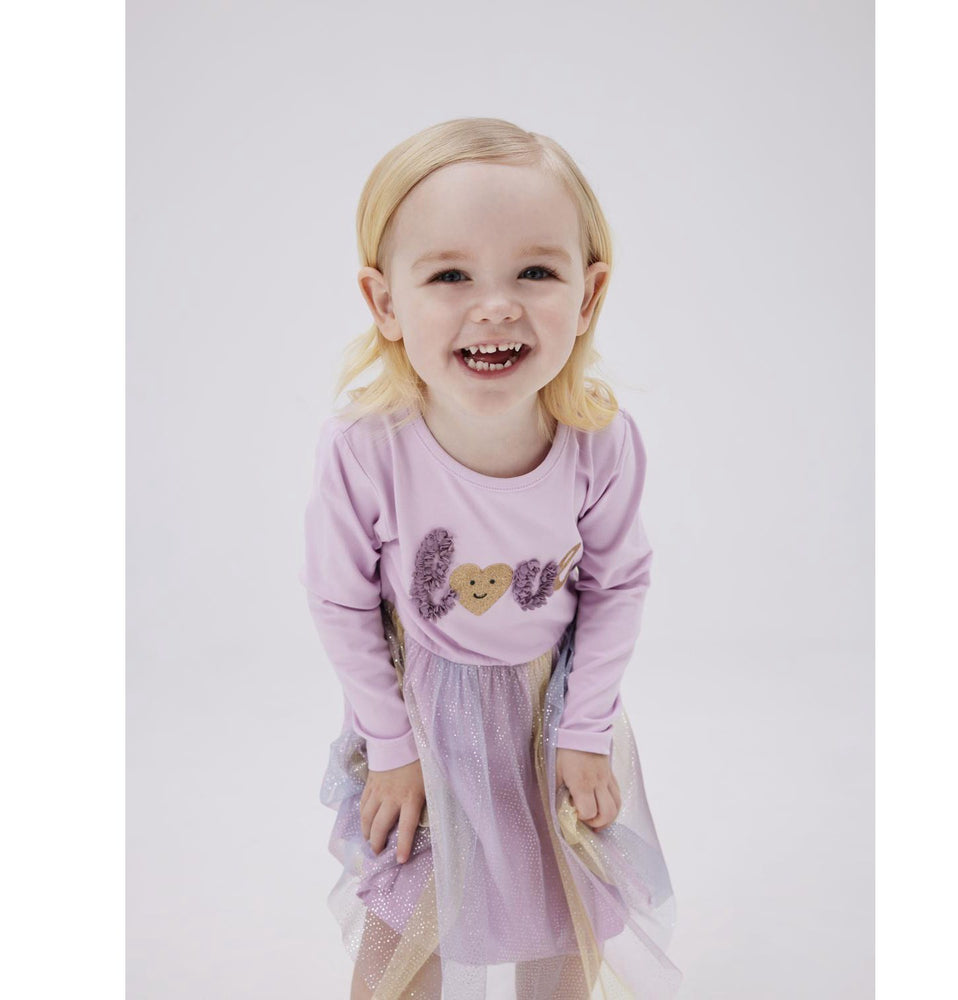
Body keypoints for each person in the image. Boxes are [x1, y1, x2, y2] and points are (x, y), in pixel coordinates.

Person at [301, 117, 682, 999]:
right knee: (408, 916)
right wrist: (391, 747)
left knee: (565, 910)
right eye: (450, 275)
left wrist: (583, 731)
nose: (497, 305)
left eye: (535, 273)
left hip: (553, 711)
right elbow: (340, 601)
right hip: (422, 716)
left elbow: (617, 583)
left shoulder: (599, 441)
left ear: (588, 294)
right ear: (385, 302)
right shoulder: (367, 449)